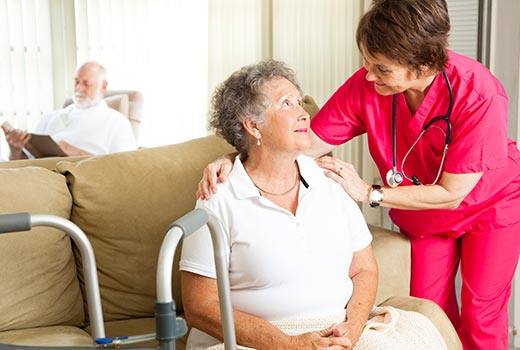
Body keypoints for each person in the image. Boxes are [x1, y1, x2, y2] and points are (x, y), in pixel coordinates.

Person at [197, 1, 520, 349]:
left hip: (490, 209)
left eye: (381, 67)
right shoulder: (370, 85)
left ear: (423, 64)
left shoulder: (478, 92)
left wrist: (370, 193)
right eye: (366, 61)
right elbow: (302, 143)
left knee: (480, 318)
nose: (368, 74)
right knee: (430, 313)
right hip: (425, 214)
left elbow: (453, 192)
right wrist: (237, 157)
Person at [181, 60, 447, 350]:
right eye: (287, 104)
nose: (304, 113)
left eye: (299, 101)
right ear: (253, 125)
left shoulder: (330, 180)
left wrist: (353, 329)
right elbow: (199, 306)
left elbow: (364, 269)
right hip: (258, 342)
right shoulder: (220, 194)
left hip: (337, 331)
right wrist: (288, 344)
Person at [1, 61, 136, 160]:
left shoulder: (117, 122)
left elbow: (124, 169)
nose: (79, 88)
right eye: (76, 82)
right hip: (38, 179)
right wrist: (16, 150)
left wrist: (75, 153)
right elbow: (25, 167)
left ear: (103, 86)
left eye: (86, 83)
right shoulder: (49, 118)